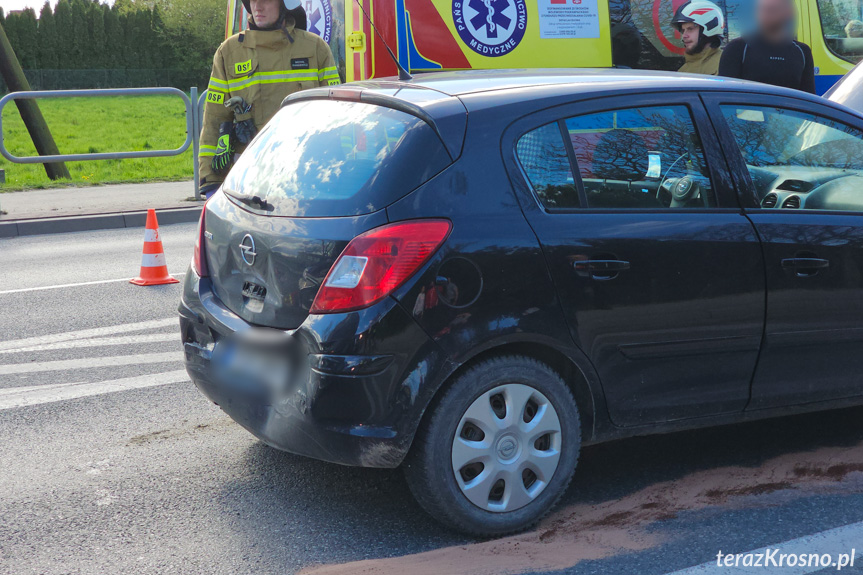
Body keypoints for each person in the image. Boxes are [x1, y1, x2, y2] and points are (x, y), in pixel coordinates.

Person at [198, 0, 341, 197]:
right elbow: (214, 118)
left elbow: (335, 116)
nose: (257, 6)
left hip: (305, 172)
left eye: (265, 0)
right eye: (253, 1)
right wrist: (211, 182)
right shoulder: (229, 52)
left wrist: (336, 169)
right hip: (249, 178)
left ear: (285, 4)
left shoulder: (315, 48)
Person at [718, 0, 815, 93]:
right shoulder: (737, 48)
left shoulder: (802, 52)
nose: (764, 16)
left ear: (787, 13)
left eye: (771, 10)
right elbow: (725, 96)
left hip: (788, 110)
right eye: (761, 10)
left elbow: (809, 100)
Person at [672, 1, 725, 75]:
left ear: (710, 27)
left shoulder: (726, 65)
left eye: (690, 29)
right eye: (683, 30)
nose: (684, 35)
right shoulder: (683, 71)